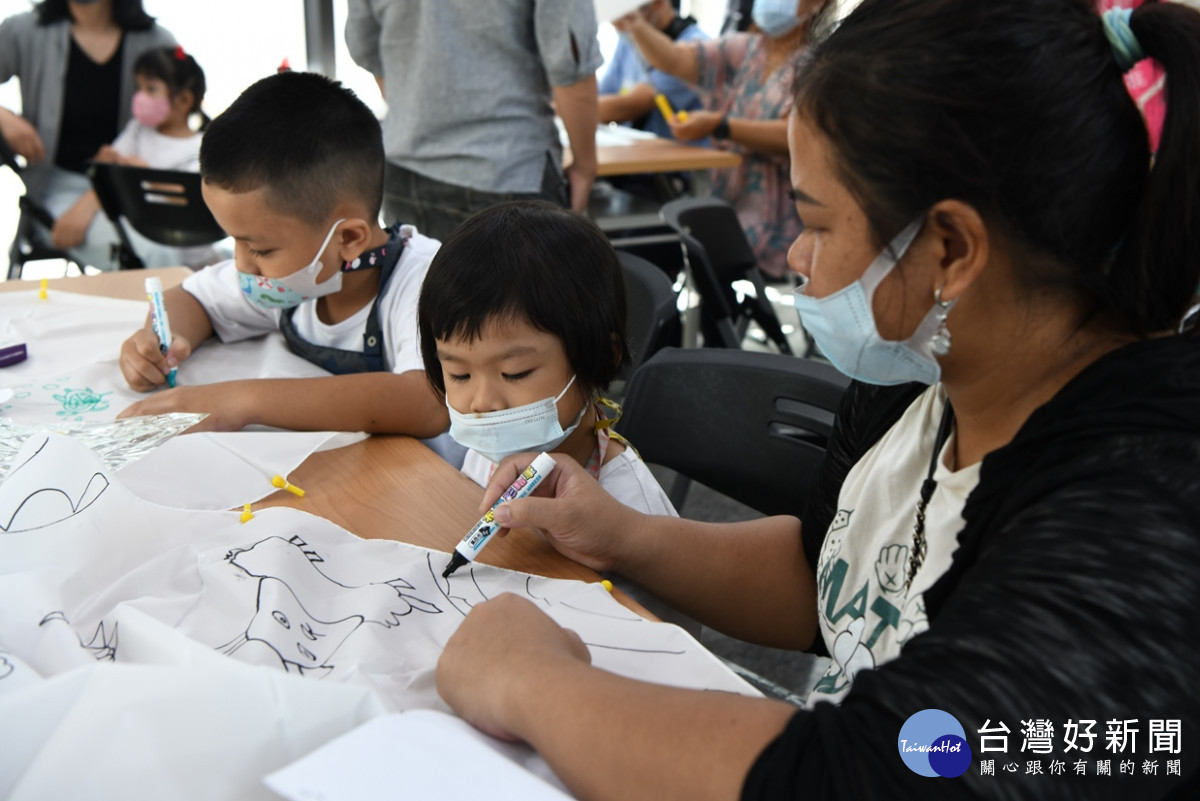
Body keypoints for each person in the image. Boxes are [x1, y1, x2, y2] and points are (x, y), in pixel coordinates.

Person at [435, 1, 1200, 798]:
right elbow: (825, 576)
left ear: (951, 249)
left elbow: (895, 767)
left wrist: (532, 683)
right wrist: (621, 534)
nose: (796, 255)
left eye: (817, 222)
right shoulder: (922, 375)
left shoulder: (1143, 511)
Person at [116, 70, 447, 440]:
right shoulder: (290, 278)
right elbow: (193, 298)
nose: (242, 263)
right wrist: (158, 340)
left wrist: (240, 400)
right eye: (235, 242)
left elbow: (428, 401)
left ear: (349, 238)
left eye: (259, 248)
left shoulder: (426, 283)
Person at [417, 200, 674, 518]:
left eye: (515, 373)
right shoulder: (492, 452)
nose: (482, 404)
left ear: (602, 357)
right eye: (459, 374)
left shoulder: (633, 509)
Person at [345, 0, 602, 243]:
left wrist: (415, 109)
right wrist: (585, 167)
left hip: (404, 169)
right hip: (505, 169)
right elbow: (570, 61)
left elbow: (364, 44)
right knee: (525, 289)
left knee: (416, 288)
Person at [613, 0, 824, 279]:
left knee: (661, 251)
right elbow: (676, 59)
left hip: (771, 222)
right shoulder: (746, 49)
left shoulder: (820, 65)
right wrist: (636, 25)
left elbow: (796, 135)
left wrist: (720, 125)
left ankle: (708, 321)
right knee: (638, 247)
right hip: (717, 202)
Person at [0, 0, 175, 271]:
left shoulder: (157, 42)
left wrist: (94, 199)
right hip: (56, 190)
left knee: (197, 251)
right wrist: (4, 116)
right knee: (156, 254)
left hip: (135, 187)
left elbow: (177, 130)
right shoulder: (23, 30)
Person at [77, 44, 218, 268]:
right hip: (146, 245)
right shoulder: (137, 130)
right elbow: (113, 166)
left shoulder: (204, 148)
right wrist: (107, 164)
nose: (141, 96)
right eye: (139, 88)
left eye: (151, 89)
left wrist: (144, 178)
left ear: (183, 100)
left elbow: (199, 202)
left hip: (195, 259)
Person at [597, 0, 706, 142]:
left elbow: (630, 106)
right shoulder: (627, 42)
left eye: (628, 16)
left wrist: (572, 106)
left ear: (659, 3)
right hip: (636, 151)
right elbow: (600, 94)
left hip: (676, 158)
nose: (621, 25)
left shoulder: (695, 48)